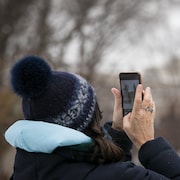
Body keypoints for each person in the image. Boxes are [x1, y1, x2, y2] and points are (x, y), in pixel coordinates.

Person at [5, 56, 180, 180]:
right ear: (87, 119)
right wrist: (147, 142)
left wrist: (119, 133)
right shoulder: (118, 176)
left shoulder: (24, 168)